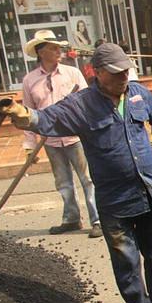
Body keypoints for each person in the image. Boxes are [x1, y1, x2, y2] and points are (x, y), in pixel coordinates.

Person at [0, 43, 152, 303]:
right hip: (115, 201)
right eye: (115, 72)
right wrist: (21, 114)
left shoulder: (138, 93)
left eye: (125, 69)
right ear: (96, 73)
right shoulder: (82, 104)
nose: (123, 75)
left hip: (150, 193)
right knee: (126, 263)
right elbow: (46, 120)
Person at [21, 29, 101, 238]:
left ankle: (98, 220)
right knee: (63, 182)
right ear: (41, 52)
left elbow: (88, 102)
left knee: (88, 179)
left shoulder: (72, 74)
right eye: (52, 48)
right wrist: (29, 147)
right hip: (50, 140)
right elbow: (28, 115)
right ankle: (71, 218)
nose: (58, 51)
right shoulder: (30, 81)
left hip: (75, 137)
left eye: (58, 47)